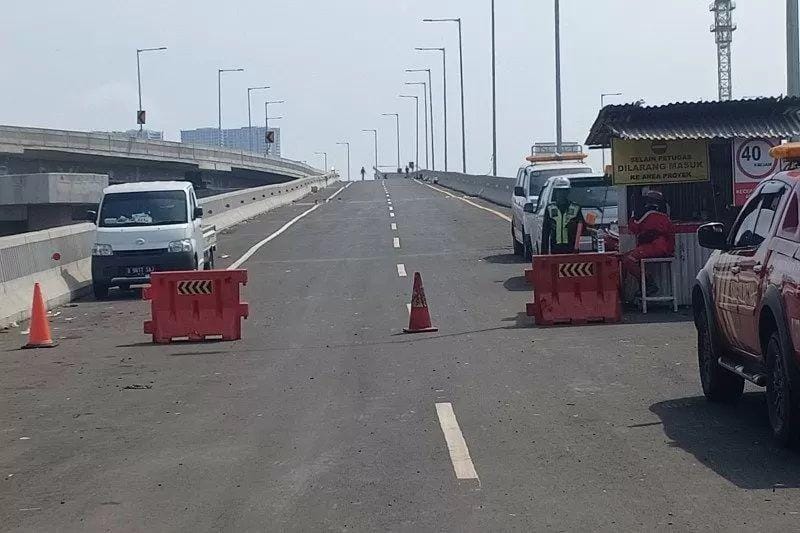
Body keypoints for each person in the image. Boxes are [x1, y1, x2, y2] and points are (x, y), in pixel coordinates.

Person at [622, 190, 675, 296]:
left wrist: (632, 214)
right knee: (625, 257)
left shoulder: (648, 213)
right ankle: (644, 286)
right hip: (665, 248)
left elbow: (633, 227)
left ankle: (648, 284)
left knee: (628, 260)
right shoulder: (665, 215)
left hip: (655, 246)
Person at [541, 177, 585, 254]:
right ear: (555, 192)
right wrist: (544, 253)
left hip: (572, 249)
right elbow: (545, 232)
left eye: (564, 191)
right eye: (559, 191)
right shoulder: (550, 209)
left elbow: (582, 229)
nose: (561, 193)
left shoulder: (575, 208)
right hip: (555, 249)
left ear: (568, 192)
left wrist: (573, 227)